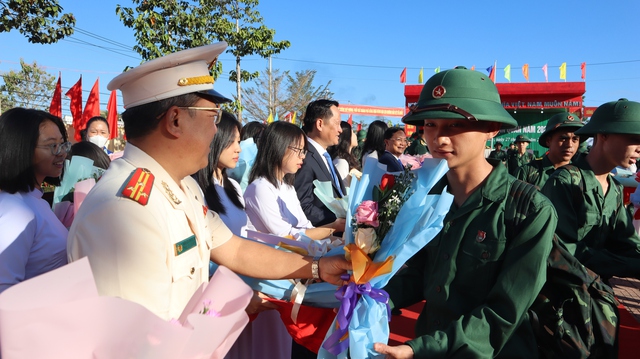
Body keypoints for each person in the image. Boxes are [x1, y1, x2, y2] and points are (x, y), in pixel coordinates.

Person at [67, 43, 350, 321]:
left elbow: (235, 249)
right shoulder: (124, 209)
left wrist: (317, 268)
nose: (217, 131)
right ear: (175, 120)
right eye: (213, 117)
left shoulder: (184, 187)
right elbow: (138, 334)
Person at [374, 67, 556, 358]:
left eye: (455, 125)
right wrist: (367, 296)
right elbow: (421, 273)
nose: (439, 138)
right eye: (430, 124)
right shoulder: (426, 198)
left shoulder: (529, 210)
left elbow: (504, 311)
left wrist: (420, 348)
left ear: (492, 128)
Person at [195, 111, 289, 359]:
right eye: (233, 141)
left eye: (239, 141)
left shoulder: (233, 186)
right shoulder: (197, 190)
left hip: (244, 281)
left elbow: (245, 236)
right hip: (217, 289)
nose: (239, 148)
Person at [542, 98, 640, 281]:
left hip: (594, 289)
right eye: (634, 139)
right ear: (603, 135)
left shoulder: (615, 189)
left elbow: (626, 242)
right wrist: (632, 266)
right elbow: (565, 250)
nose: (639, 148)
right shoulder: (564, 182)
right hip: (560, 295)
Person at [0, 108, 70, 293]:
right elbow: (5, 291)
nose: (62, 153)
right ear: (20, 148)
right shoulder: (15, 210)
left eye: (63, 144)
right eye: (52, 145)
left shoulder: (34, 200)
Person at [244, 121, 344, 240]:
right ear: (279, 147)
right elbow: (286, 236)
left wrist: (340, 242)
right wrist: (333, 228)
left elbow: (305, 227)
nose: (302, 156)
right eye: (298, 150)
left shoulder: (288, 187)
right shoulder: (260, 188)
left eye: (303, 151)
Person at [294, 99, 347, 228]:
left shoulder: (324, 155)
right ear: (319, 124)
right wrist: (336, 221)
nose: (340, 130)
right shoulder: (303, 156)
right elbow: (303, 205)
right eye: (337, 123)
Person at [515, 112, 584, 189]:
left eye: (575, 139)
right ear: (548, 141)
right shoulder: (527, 172)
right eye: (563, 138)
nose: (569, 145)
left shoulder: (582, 175)